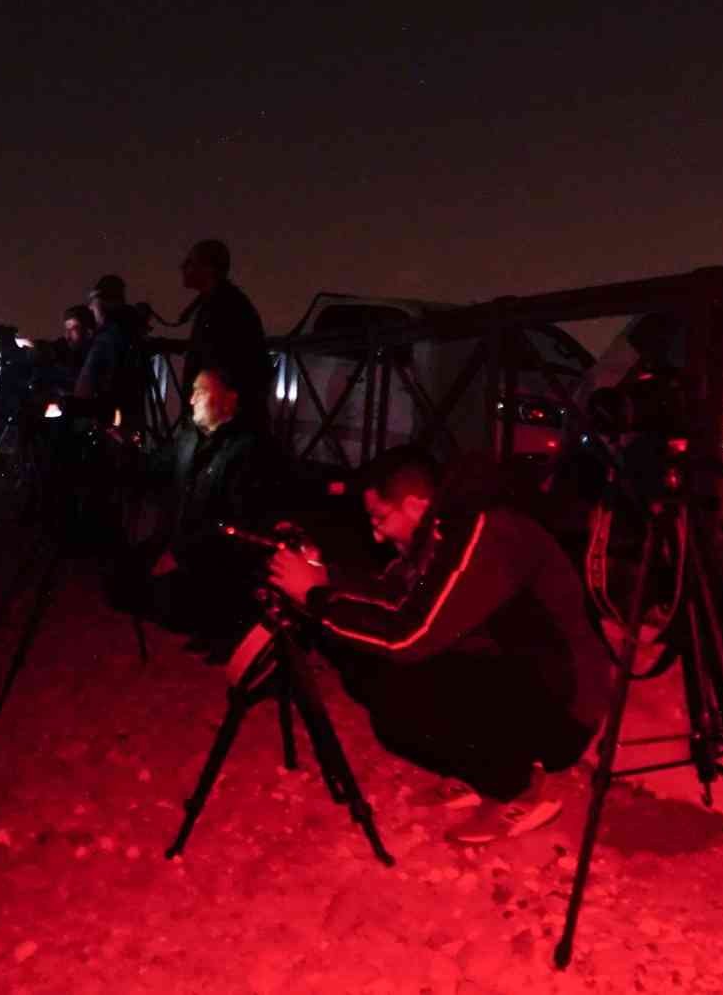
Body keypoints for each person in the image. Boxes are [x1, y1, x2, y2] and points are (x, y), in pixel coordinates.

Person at [266, 445, 614, 845]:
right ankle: (482, 769)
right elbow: (389, 593)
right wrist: (323, 577)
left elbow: (408, 636)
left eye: (379, 517)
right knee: (367, 665)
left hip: (567, 709)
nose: (376, 534)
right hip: (524, 679)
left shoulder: (487, 530)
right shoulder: (440, 533)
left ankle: (516, 787)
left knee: (398, 693)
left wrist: (315, 599)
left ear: (415, 505)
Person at [110, 366, 280, 658]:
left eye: (200, 391)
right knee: (119, 581)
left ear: (228, 399)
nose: (191, 400)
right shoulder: (190, 439)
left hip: (213, 561)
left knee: (168, 597)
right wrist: (122, 449)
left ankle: (222, 626)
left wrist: (180, 555)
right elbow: (153, 469)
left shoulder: (248, 451)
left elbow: (235, 527)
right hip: (182, 548)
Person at [177, 239, 272, 431]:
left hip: (220, 423)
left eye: (190, 262)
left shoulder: (224, 307)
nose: (183, 267)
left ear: (208, 269)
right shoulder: (223, 303)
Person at [75, 275, 147, 430]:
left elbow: (85, 386)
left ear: (105, 303)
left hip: (107, 419)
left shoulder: (107, 338)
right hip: (131, 418)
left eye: (94, 303)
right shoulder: (133, 334)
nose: (90, 308)